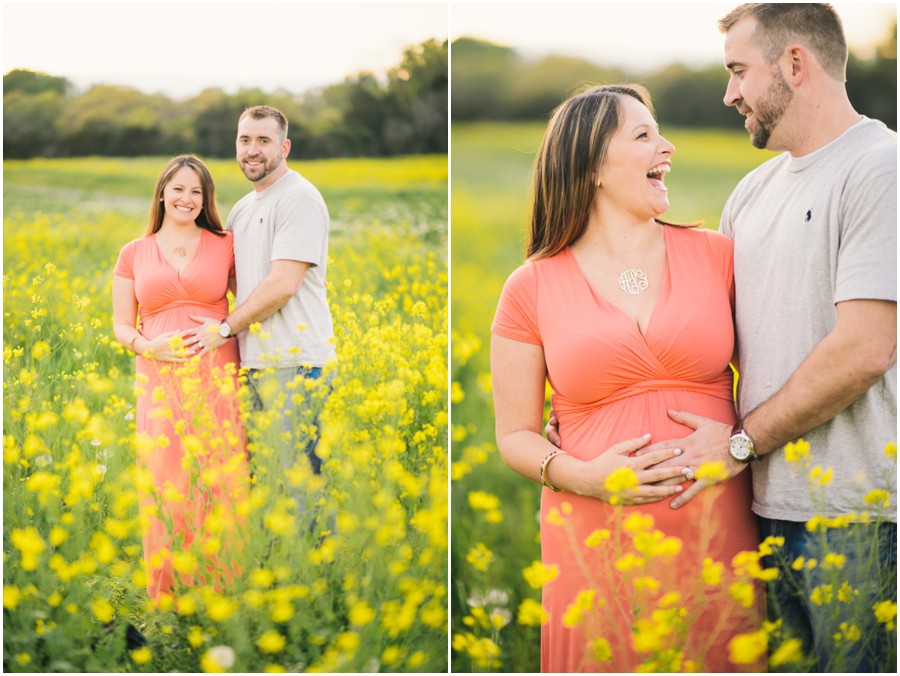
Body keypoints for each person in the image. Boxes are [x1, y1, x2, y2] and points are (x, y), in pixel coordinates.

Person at [627, 4, 896, 671]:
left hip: (860, 516)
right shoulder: (750, 193)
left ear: (795, 63)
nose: (729, 94)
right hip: (758, 507)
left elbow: (866, 347)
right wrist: (590, 413)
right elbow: (704, 340)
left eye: (739, 71)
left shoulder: (881, 169)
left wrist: (742, 443)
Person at [491, 84, 762, 672]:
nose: (666, 146)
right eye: (643, 135)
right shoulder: (530, 286)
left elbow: (780, 373)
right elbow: (514, 436)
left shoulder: (719, 256)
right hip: (594, 536)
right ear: (591, 166)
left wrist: (743, 442)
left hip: (719, 527)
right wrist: (585, 476)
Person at [113, 155, 249, 601]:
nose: (187, 199)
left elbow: (248, 304)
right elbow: (121, 325)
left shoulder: (226, 243)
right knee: (166, 473)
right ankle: (169, 588)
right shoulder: (133, 252)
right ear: (162, 193)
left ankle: (223, 583)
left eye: (197, 191)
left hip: (217, 369)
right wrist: (146, 346)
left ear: (206, 199)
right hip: (159, 372)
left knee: (218, 470)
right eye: (178, 189)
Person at [191, 105, 336, 516]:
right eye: (244, 140)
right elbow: (235, 280)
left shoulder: (299, 198)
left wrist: (224, 329)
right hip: (255, 362)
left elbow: (282, 285)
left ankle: (317, 574)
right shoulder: (242, 208)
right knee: (262, 477)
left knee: (301, 480)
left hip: (297, 362)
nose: (252, 150)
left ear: (284, 147)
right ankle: (274, 570)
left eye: (263, 141)